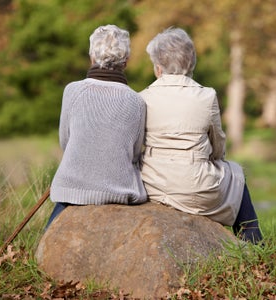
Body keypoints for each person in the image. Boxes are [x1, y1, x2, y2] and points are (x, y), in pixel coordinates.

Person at [140, 27, 263, 244]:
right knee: (237, 175)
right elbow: (218, 144)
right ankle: (254, 244)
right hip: (196, 186)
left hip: (153, 185)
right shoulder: (207, 96)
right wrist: (215, 161)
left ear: (158, 68)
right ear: (191, 63)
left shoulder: (143, 97)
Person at [45, 24, 147, 229]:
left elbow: (66, 141)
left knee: (46, 237)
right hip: (119, 191)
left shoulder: (72, 91)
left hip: (71, 191)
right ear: (126, 61)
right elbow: (135, 153)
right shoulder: (136, 101)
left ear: (91, 56)